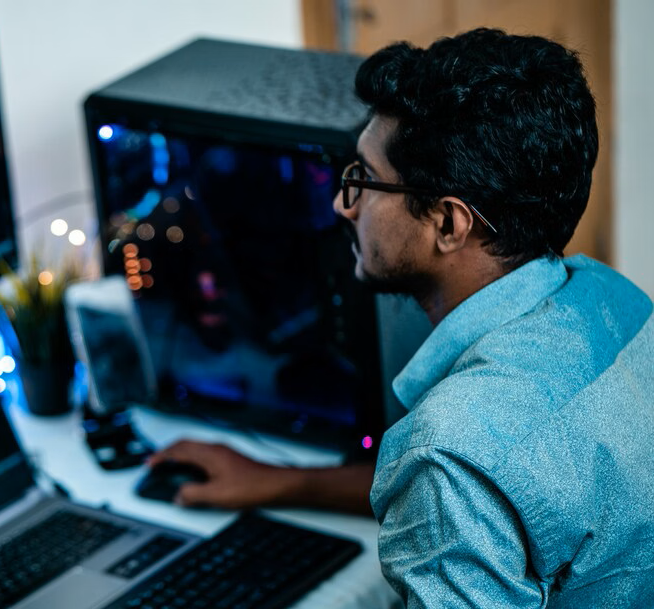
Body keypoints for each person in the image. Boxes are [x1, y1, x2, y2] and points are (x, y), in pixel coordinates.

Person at [148, 28, 654, 606]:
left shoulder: (448, 454)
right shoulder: (613, 299)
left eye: (364, 177)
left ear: (447, 224)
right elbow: (500, 487)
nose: (344, 204)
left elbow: (460, 473)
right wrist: (278, 479)